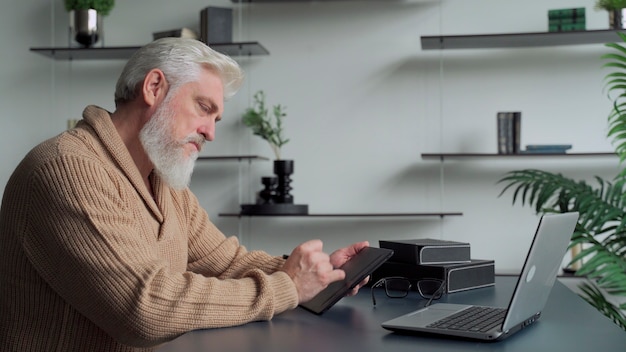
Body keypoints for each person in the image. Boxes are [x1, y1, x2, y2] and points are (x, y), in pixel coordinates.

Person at [0, 38, 369, 352]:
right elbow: (144, 308)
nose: (210, 133)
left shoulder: (165, 185)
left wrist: (323, 273)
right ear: (154, 87)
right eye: (204, 108)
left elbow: (227, 262)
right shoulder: (66, 169)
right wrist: (286, 287)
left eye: (215, 119)